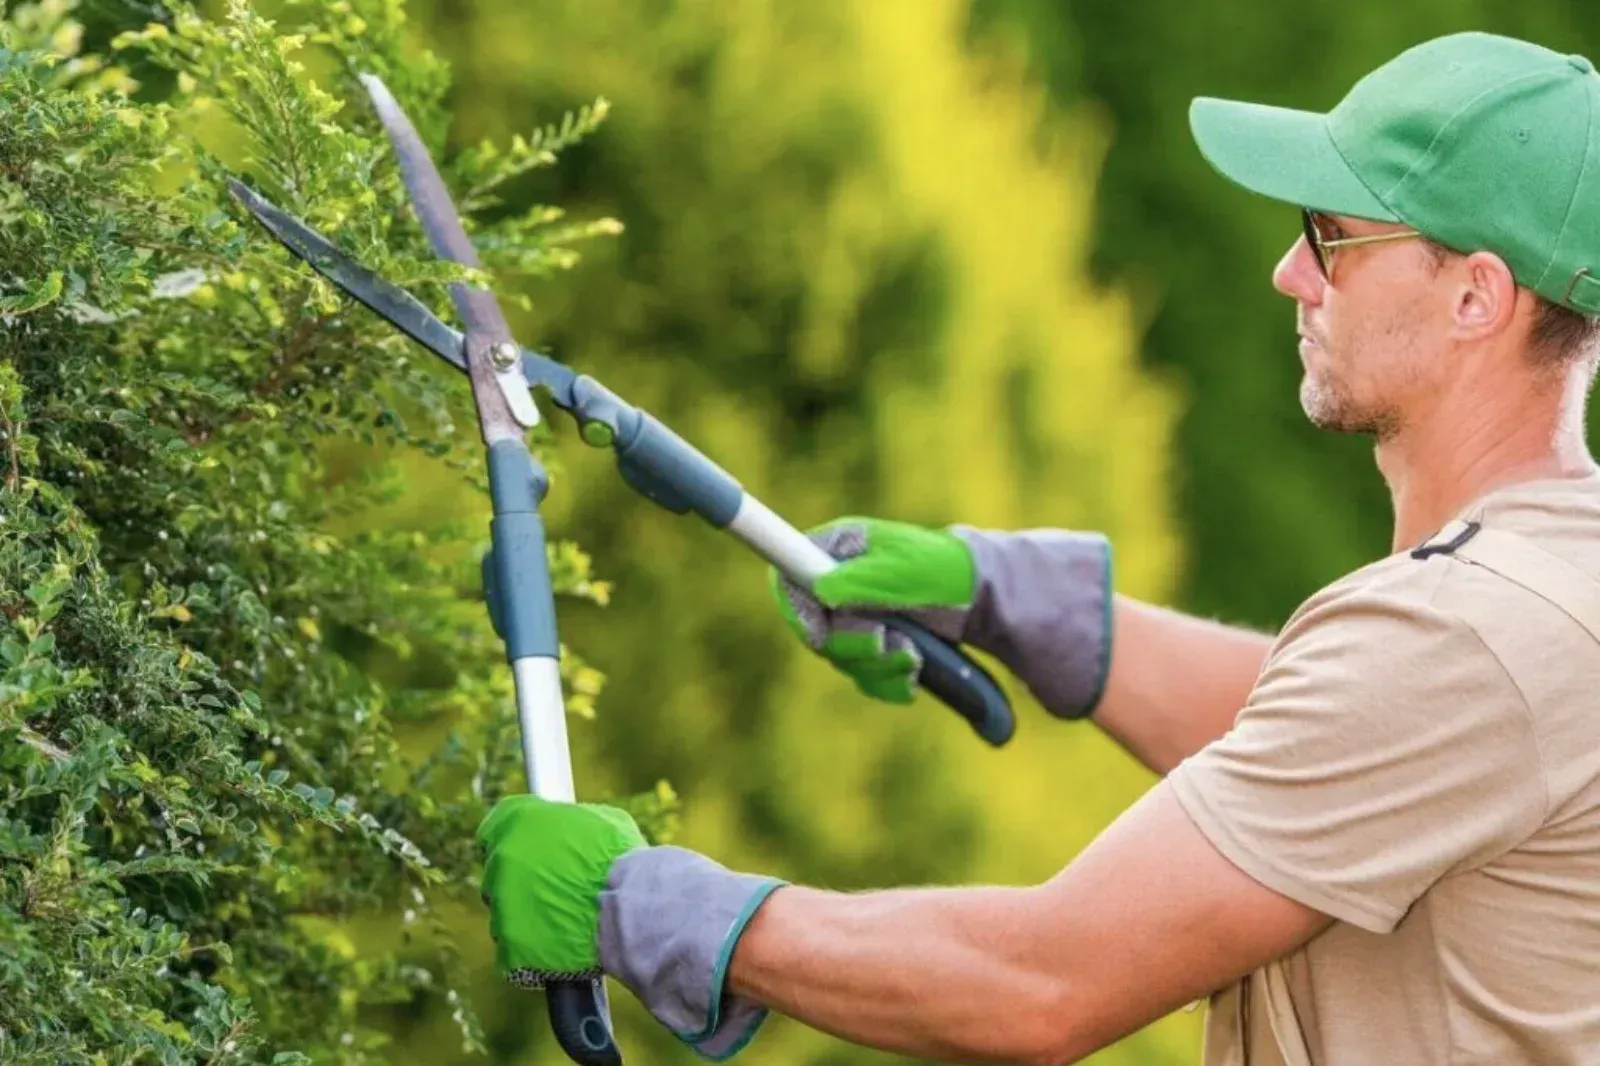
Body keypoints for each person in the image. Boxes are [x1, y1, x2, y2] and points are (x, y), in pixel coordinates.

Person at [476, 30, 1600, 1065]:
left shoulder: (1463, 637)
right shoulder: (1545, 581)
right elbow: (1339, 745)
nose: (1289, 272)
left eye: (1333, 237)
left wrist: (650, 909)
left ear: (1474, 297)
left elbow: (1037, 983)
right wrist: (1019, 601)